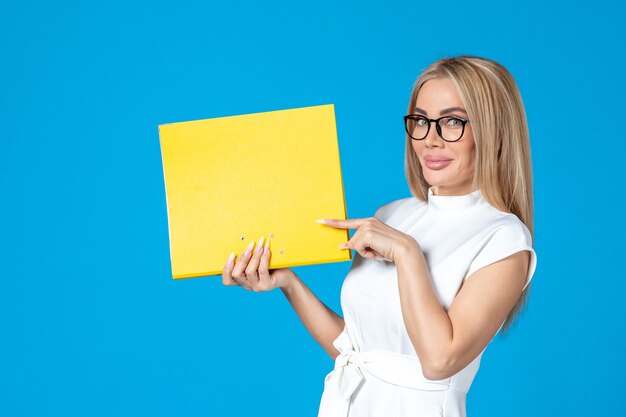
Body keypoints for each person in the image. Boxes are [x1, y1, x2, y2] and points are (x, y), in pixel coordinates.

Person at [221, 55, 537, 417]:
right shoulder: (391, 215)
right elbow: (356, 354)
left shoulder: (504, 239)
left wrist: (407, 253)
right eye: (420, 121)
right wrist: (290, 283)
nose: (430, 140)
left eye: (452, 122)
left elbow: (438, 360)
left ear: (493, 130)